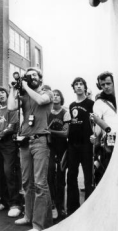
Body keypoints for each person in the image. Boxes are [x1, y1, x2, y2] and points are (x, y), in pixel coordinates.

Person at [8, 67, 53, 231]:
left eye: (35, 74)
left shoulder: (48, 91)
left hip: (40, 140)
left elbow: (41, 101)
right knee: (27, 182)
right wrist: (14, 88)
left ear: (40, 78)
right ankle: (28, 216)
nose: (31, 77)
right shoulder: (25, 94)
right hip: (25, 141)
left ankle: (39, 224)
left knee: (40, 184)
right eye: (29, 75)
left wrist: (25, 86)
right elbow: (11, 107)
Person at [0, 86, 22, 217]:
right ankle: (2, 200)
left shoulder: (12, 108)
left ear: (7, 94)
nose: (1, 95)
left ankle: (15, 204)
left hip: (9, 144)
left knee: (9, 172)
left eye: (3, 92)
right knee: (0, 174)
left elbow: (12, 126)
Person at [66, 77, 94, 216]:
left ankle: (89, 209)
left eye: (81, 84)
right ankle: (72, 208)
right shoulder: (71, 105)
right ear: (73, 88)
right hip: (72, 144)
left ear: (85, 87)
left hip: (86, 144)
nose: (78, 86)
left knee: (88, 177)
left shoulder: (91, 103)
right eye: (76, 84)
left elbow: (96, 121)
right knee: (71, 176)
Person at [90, 71, 118, 183]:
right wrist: (96, 137)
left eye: (108, 83)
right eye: (103, 85)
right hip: (111, 137)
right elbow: (97, 122)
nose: (106, 87)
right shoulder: (99, 102)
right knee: (110, 168)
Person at [47, 89, 70, 220]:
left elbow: (66, 133)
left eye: (57, 95)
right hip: (49, 147)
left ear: (61, 98)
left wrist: (50, 131)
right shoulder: (47, 112)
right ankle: (53, 205)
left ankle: (61, 207)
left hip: (62, 148)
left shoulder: (65, 113)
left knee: (61, 179)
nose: (55, 97)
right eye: (53, 95)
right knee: (50, 175)